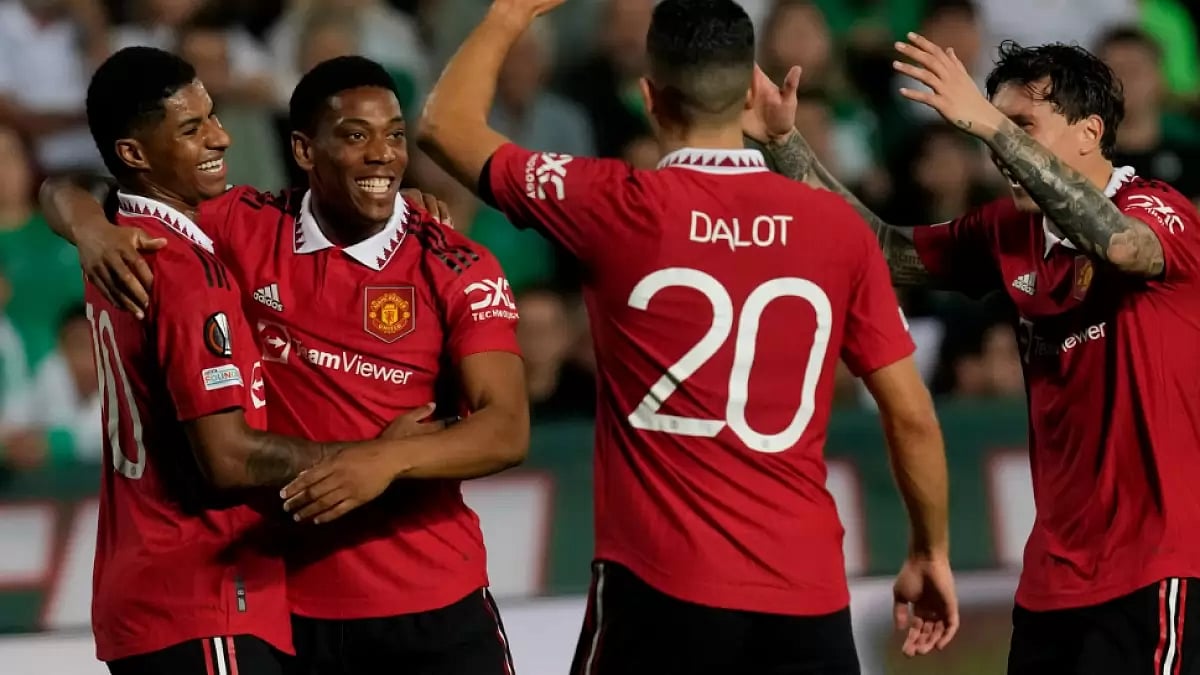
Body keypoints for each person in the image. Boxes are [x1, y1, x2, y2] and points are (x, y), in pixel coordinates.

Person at [418, 0, 957, 672]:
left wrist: (506, 17)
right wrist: (929, 552)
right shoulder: (838, 230)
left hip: (660, 589)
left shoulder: (611, 205)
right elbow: (911, 415)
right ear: (748, 97)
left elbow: (444, 126)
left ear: (649, 97)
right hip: (805, 597)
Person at [45, 54, 528, 675]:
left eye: (395, 136)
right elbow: (91, 190)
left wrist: (388, 458)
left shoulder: (455, 262)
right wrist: (87, 224)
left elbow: (507, 428)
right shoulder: (234, 227)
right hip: (297, 613)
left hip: (437, 602)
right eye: (356, 136)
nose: (382, 154)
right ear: (305, 150)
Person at [750, 35, 1200, 674]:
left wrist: (987, 122)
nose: (999, 151)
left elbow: (1123, 247)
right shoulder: (1004, 232)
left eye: (1021, 127)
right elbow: (879, 249)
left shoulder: (1158, 209)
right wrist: (781, 143)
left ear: (1089, 131)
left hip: (1158, 568)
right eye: (993, 131)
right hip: (1052, 581)